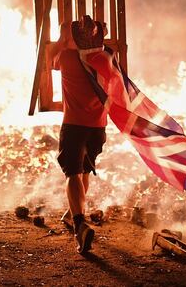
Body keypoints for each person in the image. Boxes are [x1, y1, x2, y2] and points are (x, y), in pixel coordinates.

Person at [47, 16, 108, 254]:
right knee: (84, 170)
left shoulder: (68, 58)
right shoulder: (106, 59)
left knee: (73, 173)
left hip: (74, 124)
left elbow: (49, 59)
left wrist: (62, 38)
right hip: (98, 127)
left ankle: (80, 224)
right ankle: (75, 210)